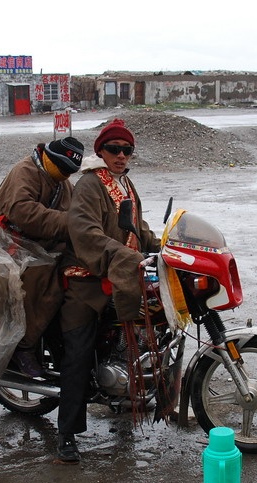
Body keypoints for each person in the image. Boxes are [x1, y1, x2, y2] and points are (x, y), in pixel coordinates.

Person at [55, 119, 159, 463]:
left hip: (121, 272)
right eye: (114, 149)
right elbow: (84, 232)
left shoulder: (125, 182)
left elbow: (138, 227)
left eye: (127, 150)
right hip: (86, 278)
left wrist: (163, 247)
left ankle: (129, 392)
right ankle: (66, 434)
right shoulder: (88, 184)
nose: (121, 155)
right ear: (100, 151)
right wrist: (122, 255)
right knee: (79, 352)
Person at [0, 137, 85, 377]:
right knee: (46, 278)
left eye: (70, 172)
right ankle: (23, 347)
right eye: (63, 169)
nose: (66, 175)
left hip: (43, 242)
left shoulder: (61, 182)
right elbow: (22, 211)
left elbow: (76, 212)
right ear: (51, 159)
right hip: (16, 243)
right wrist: (69, 223)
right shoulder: (26, 171)